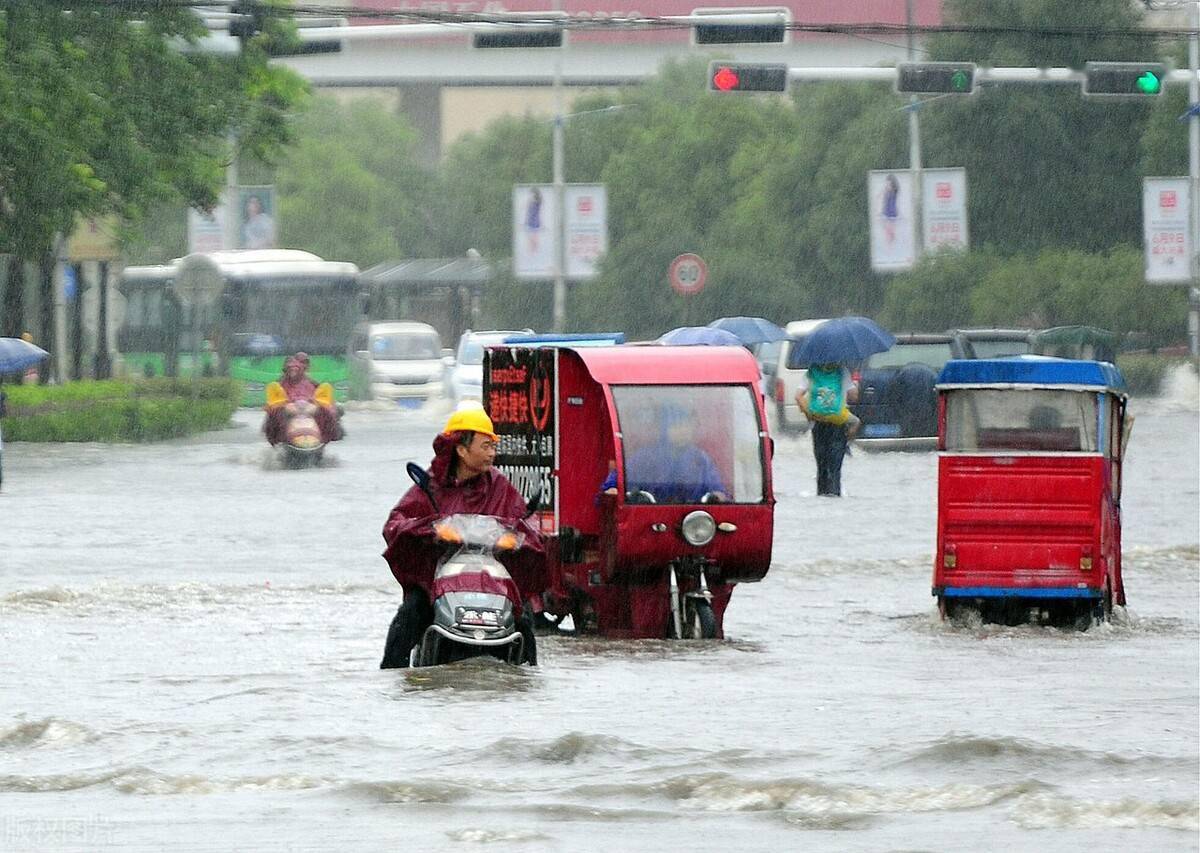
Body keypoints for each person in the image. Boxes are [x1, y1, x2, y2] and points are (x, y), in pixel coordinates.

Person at [380, 408, 542, 668]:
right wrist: (432, 530)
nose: (492, 453)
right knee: (410, 613)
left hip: (492, 581)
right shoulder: (429, 486)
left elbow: (526, 525)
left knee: (524, 619)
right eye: (486, 446)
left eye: (493, 446)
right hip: (437, 583)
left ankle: (529, 674)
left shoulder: (500, 486)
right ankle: (391, 672)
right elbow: (396, 524)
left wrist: (515, 539)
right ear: (461, 449)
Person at [602, 404, 728, 503]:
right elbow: (616, 483)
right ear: (664, 429)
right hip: (649, 520)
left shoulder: (700, 459)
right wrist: (613, 490)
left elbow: (717, 489)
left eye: (687, 426)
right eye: (676, 426)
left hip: (693, 524)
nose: (683, 431)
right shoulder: (645, 457)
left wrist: (718, 495)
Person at [795, 363, 859, 497]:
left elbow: (798, 396)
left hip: (818, 424)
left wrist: (810, 415)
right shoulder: (842, 371)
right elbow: (854, 397)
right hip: (838, 423)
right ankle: (834, 497)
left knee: (822, 467)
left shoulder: (812, 371)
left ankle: (821, 497)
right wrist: (855, 384)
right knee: (835, 469)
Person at [263, 352, 342, 445]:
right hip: (290, 412)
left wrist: (329, 407)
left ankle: (330, 436)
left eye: (304, 363)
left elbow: (321, 395)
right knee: (275, 416)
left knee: (327, 414)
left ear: (303, 368)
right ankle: (279, 440)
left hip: (308, 410)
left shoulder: (311, 382)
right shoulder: (279, 384)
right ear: (286, 369)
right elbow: (274, 401)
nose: (293, 371)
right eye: (291, 369)